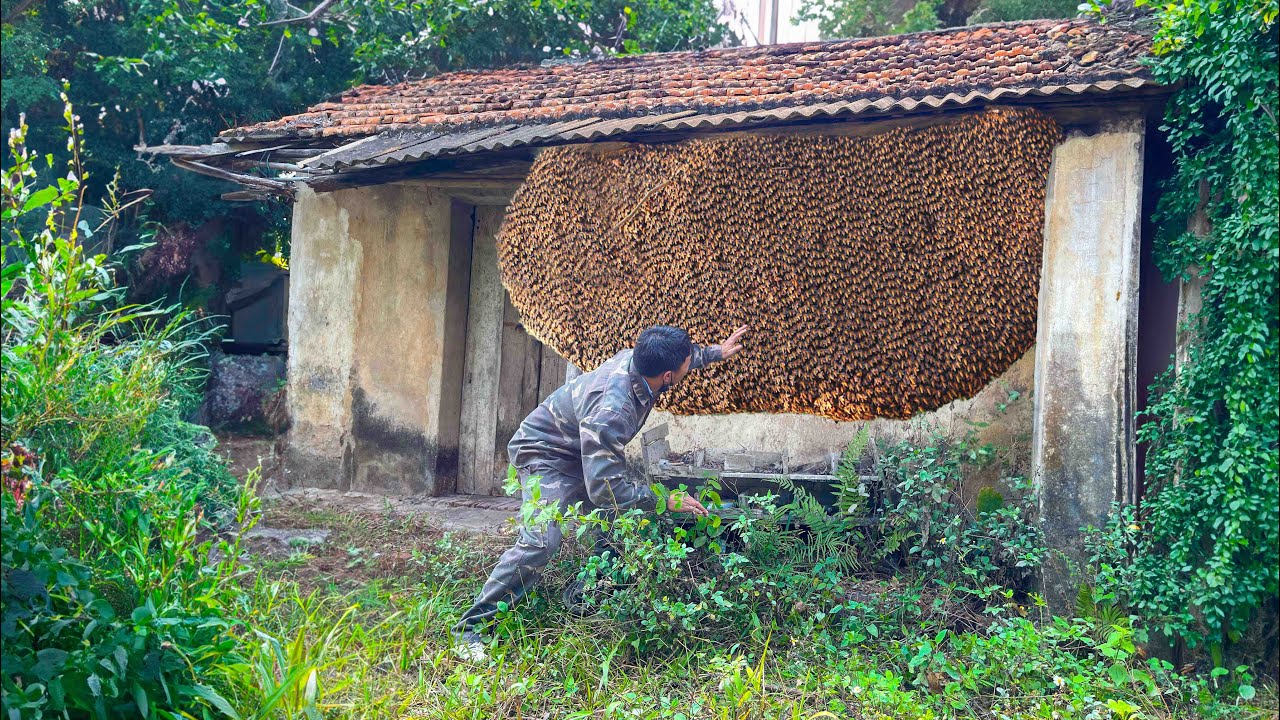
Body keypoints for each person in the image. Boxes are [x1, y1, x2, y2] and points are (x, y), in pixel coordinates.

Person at [453, 324, 750, 657]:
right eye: (686, 361)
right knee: (541, 541)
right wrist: (666, 500)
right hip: (545, 453)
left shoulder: (640, 362)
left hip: (582, 448)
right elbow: (604, 488)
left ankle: (590, 591)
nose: (688, 362)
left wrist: (715, 353)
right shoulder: (615, 409)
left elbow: (680, 359)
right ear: (668, 376)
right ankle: (471, 629)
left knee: (615, 517)